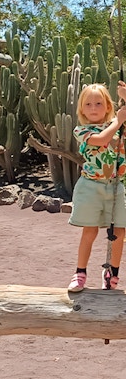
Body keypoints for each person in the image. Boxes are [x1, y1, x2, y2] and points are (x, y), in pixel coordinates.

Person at [67, 82, 126, 292]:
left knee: (119, 232)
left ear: (108, 106)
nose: (93, 107)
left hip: (118, 187)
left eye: (99, 103)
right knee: (89, 230)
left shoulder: (119, 126)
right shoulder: (81, 130)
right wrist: (118, 121)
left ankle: (112, 273)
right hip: (91, 186)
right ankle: (80, 273)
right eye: (88, 104)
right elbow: (102, 139)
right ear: (81, 109)